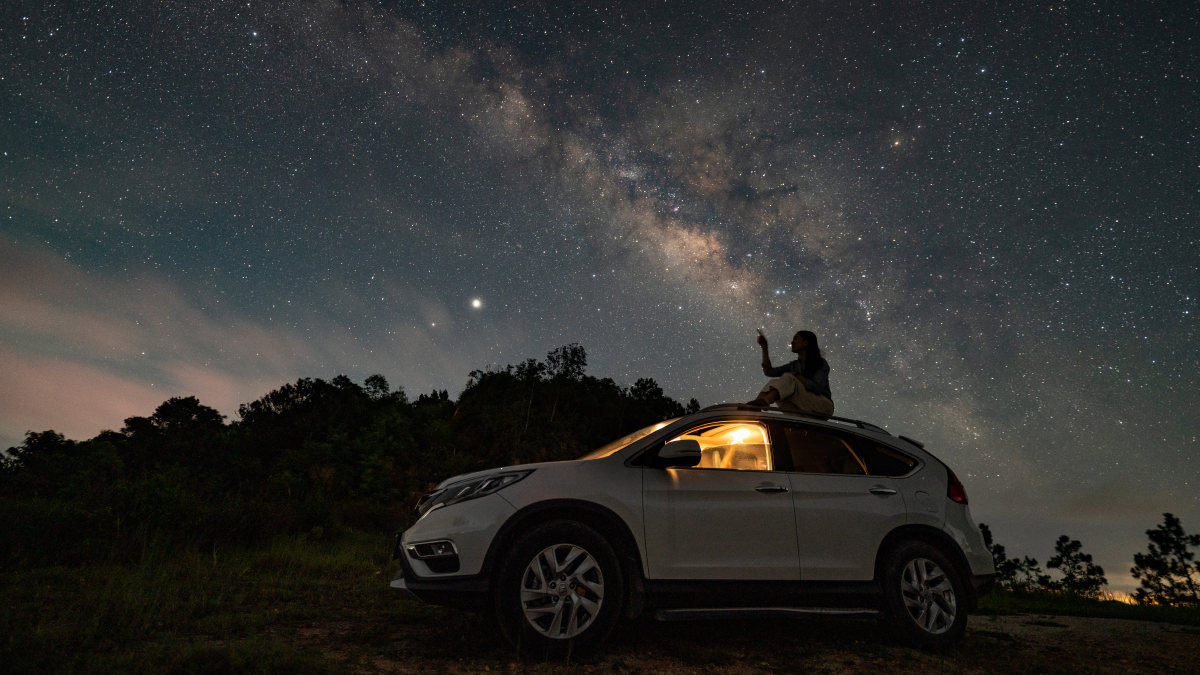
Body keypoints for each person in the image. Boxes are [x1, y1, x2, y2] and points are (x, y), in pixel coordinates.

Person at [747, 330, 835, 417]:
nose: (792, 342)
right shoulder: (793, 365)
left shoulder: (820, 363)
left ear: (805, 343)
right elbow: (769, 372)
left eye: (796, 339)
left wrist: (797, 376)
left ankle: (763, 402)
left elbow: (817, 388)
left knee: (788, 378)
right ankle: (755, 406)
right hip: (806, 407)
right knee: (775, 384)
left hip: (823, 406)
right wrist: (764, 347)